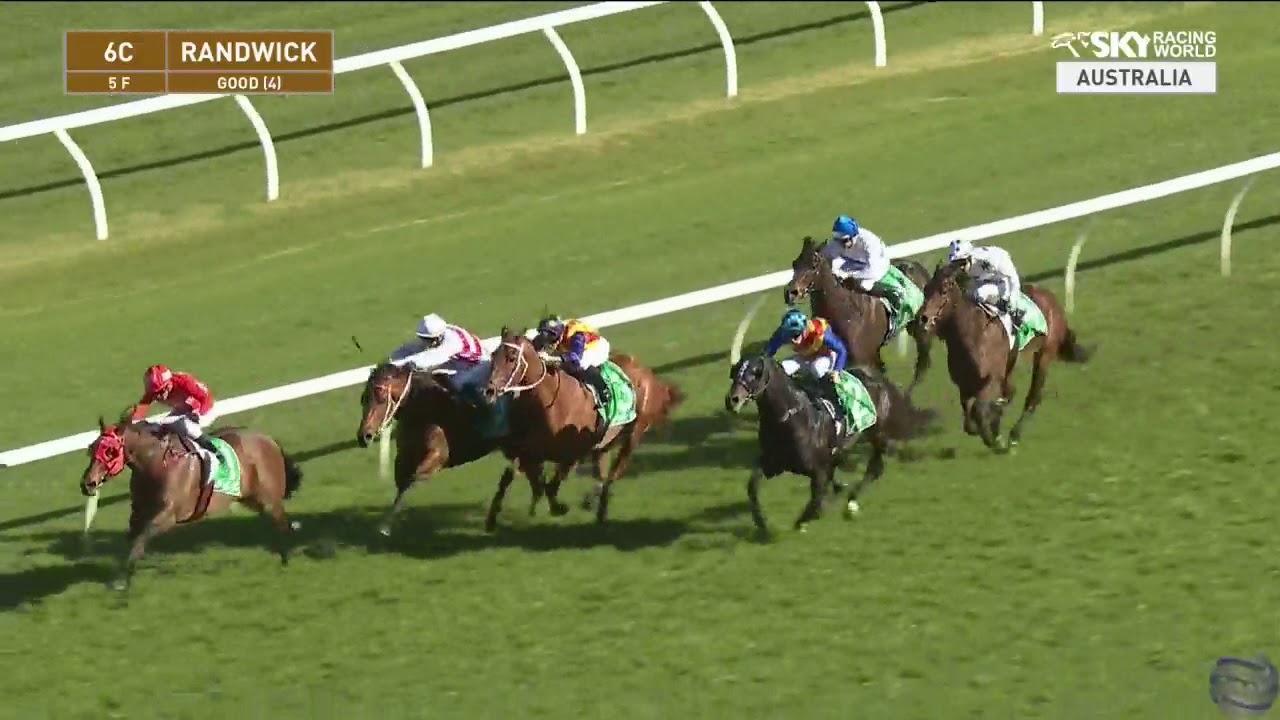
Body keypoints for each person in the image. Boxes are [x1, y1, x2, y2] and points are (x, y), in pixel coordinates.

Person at [131, 364, 226, 465]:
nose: (157, 396)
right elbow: (142, 406)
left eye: (160, 392)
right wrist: (133, 421)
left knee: (189, 428)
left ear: (168, 384)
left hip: (205, 408)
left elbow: (205, 398)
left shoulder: (184, 382)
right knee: (164, 426)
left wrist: (198, 414)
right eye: (154, 393)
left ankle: (217, 453)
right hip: (184, 407)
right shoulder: (155, 389)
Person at [389, 313, 489, 403]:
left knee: (454, 384)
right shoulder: (440, 333)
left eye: (428, 339)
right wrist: (394, 359)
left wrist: (404, 363)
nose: (425, 342)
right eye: (423, 338)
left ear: (439, 337)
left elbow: (430, 358)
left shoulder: (452, 342)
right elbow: (415, 346)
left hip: (477, 365)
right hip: (458, 360)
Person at [819, 214, 903, 309]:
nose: (840, 245)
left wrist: (848, 275)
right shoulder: (842, 240)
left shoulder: (870, 242)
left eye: (844, 241)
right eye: (837, 240)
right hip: (853, 262)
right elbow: (823, 256)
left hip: (877, 267)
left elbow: (872, 271)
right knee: (833, 272)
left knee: (864, 285)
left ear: (853, 237)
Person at [533, 315, 612, 408]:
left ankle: (603, 391)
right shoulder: (554, 333)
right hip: (573, 348)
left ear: (556, 335)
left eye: (551, 340)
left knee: (581, 364)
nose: (549, 342)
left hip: (595, 348)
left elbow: (575, 357)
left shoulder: (577, 336)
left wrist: (550, 359)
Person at [946, 238, 1025, 331]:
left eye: (963, 263)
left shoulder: (990, 260)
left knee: (980, 293)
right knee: (967, 298)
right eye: (957, 264)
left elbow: (1013, 277)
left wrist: (1012, 299)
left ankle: (1015, 317)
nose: (961, 267)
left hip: (1003, 281)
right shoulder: (968, 265)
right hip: (984, 280)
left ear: (970, 257)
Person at [764, 309, 850, 392]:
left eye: (796, 336)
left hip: (826, 355)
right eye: (789, 336)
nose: (792, 340)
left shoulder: (821, 332)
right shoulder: (784, 332)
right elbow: (769, 349)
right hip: (806, 356)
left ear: (804, 330)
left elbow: (842, 350)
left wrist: (836, 371)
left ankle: (824, 393)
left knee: (817, 368)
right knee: (783, 368)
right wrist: (763, 359)